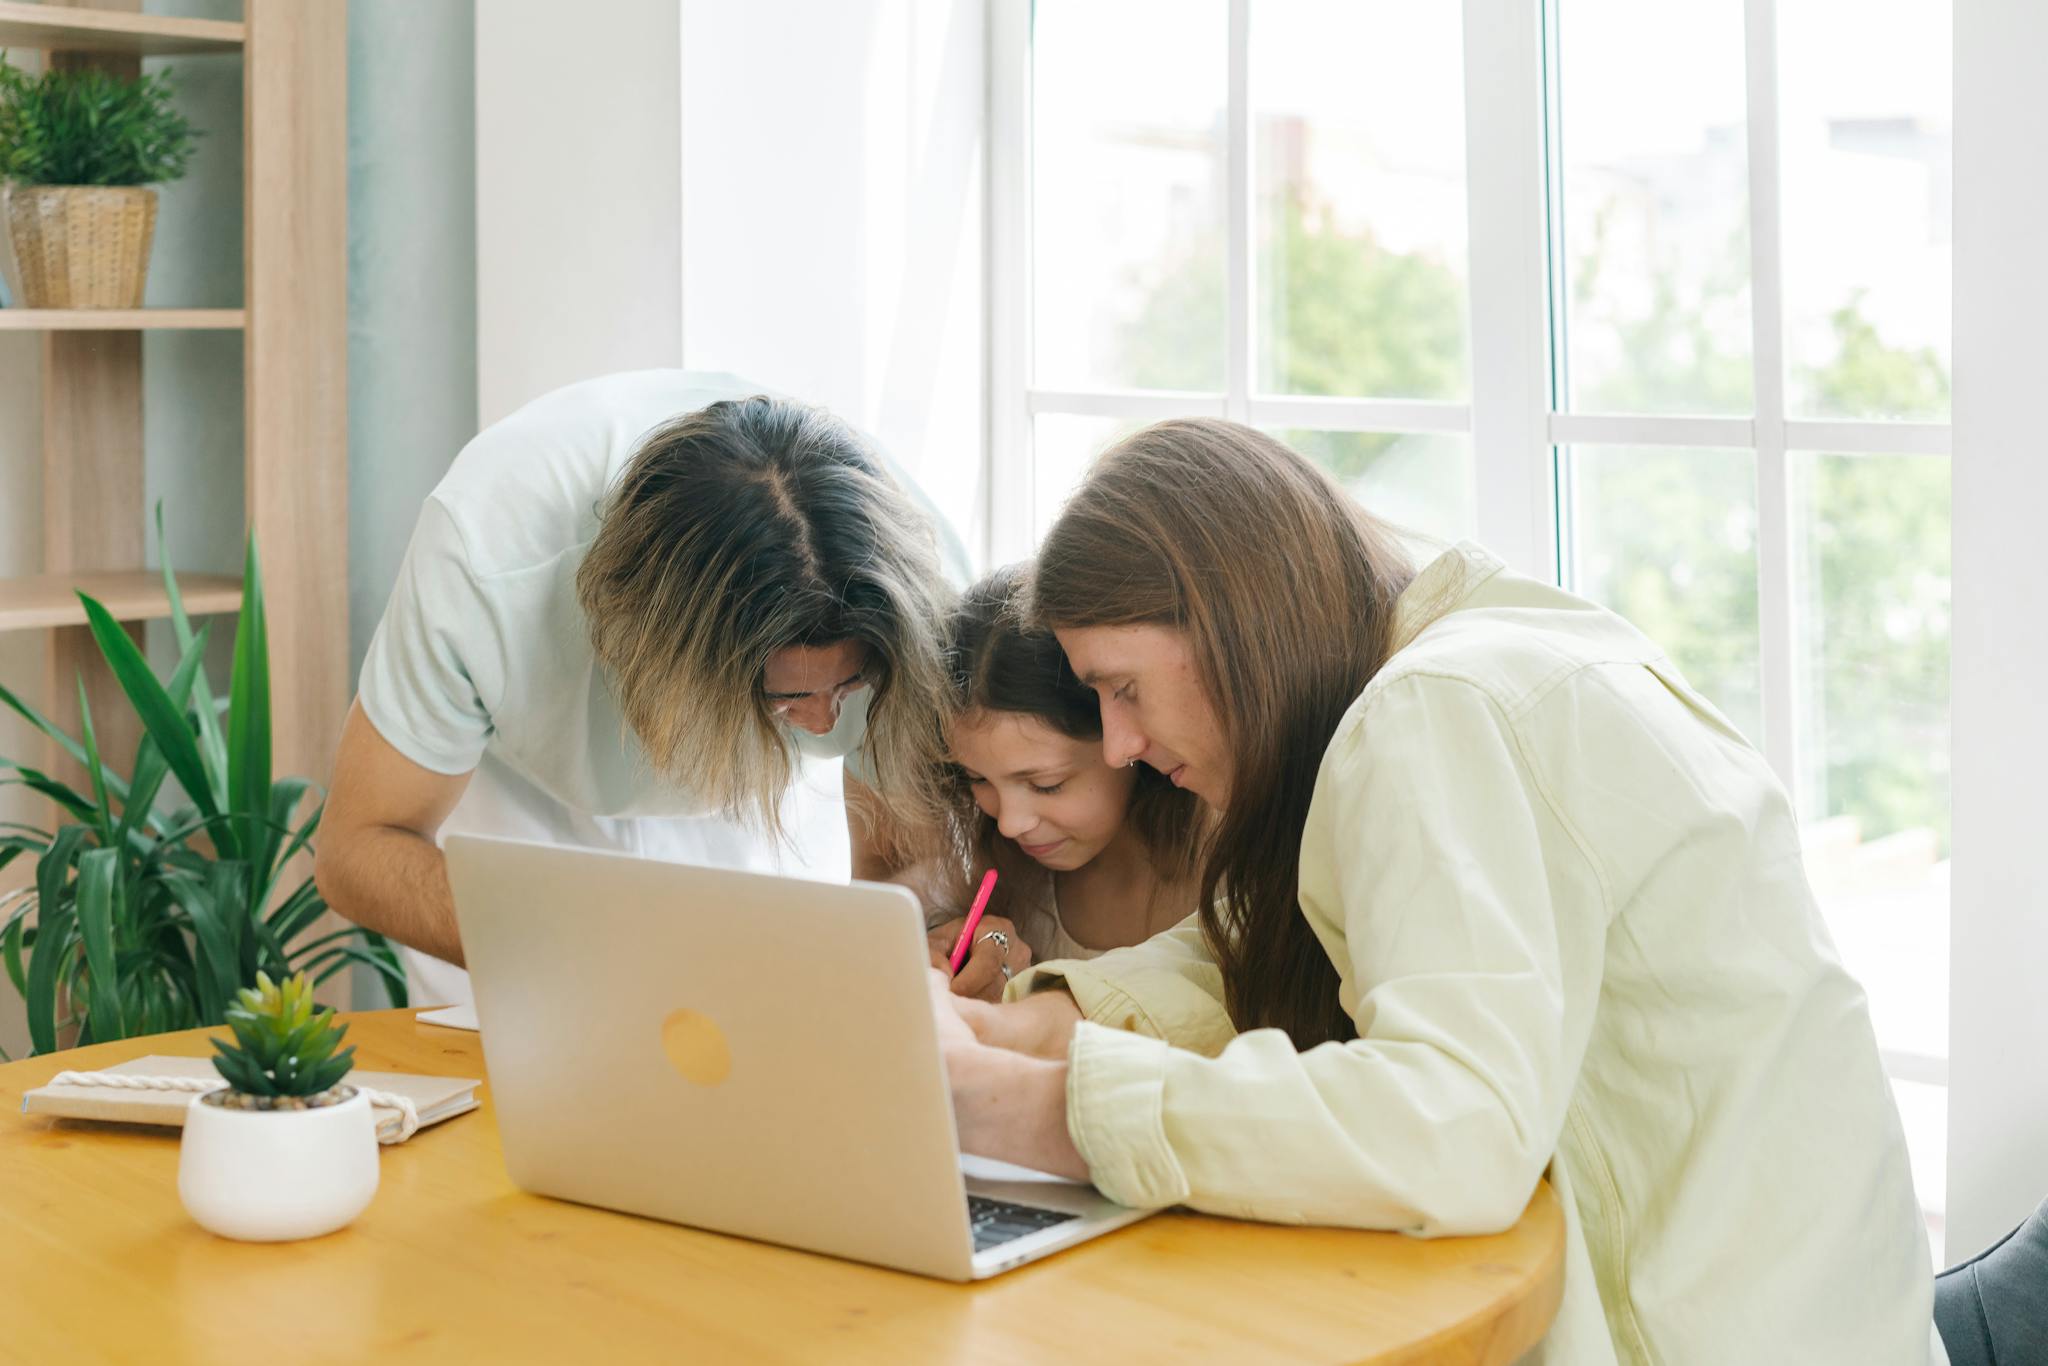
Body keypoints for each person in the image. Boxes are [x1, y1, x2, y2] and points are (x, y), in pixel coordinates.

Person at [930, 420, 1940, 1363]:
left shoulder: (1429, 714)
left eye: (1123, 688)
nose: (1121, 745)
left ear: (1225, 620)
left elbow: (1451, 1126)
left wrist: (1033, 1106)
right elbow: (1278, 934)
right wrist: (1029, 1023)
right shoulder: (1485, 646)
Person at [315, 370, 990, 1005]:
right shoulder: (485, 562)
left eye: (847, 687)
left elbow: (902, 865)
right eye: (783, 699)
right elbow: (359, 849)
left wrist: (919, 943)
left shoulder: (915, 603)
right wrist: (576, 949)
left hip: (747, 815)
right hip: (520, 813)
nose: (819, 725)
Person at [918, 566, 1204, 1001]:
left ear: (1125, 738)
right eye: (977, 779)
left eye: (1047, 784)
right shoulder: (1009, 876)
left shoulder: (1224, 872)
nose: (1010, 824)